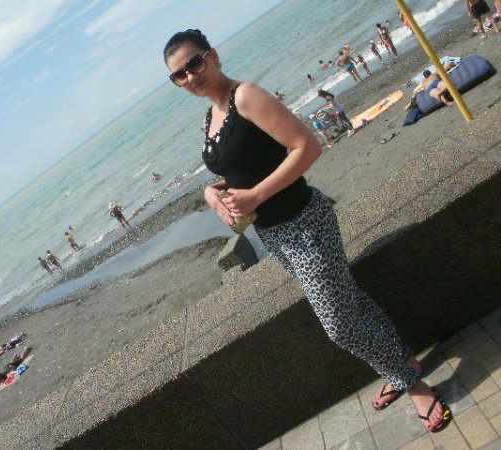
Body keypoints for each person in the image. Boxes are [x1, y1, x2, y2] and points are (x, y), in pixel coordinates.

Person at [163, 28, 451, 433]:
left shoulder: (245, 96)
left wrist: (256, 196)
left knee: (339, 325)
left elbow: (307, 146)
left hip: (305, 223)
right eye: (179, 74)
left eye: (194, 63)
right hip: (274, 235)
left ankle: (414, 386)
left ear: (212, 55)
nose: (190, 76)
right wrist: (211, 192)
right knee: (349, 301)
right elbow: (241, 165)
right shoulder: (212, 116)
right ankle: (404, 363)